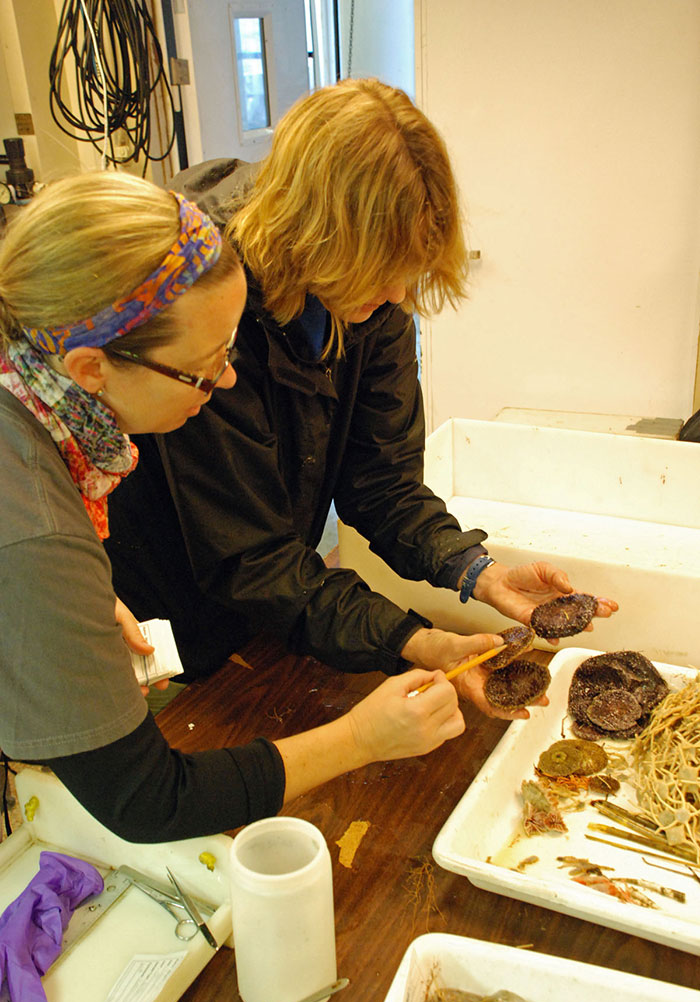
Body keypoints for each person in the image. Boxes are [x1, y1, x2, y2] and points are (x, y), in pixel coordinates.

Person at [105, 79, 617, 721]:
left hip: (271, 603)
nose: (401, 293)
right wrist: (414, 642)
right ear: (314, 234)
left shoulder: (368, 293)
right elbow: (249, 557)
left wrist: (477, 573)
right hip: (157, 621)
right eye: (384, 271)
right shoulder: (202, 300)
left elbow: (382, 481)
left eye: (410, 269)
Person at [0, 170, 469, 844]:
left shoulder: (38, 401)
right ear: (91, 370)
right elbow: (148, 800)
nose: (225, 379)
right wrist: (362, 736)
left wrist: (70, 603)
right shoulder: (34, 525)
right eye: (206, 363)